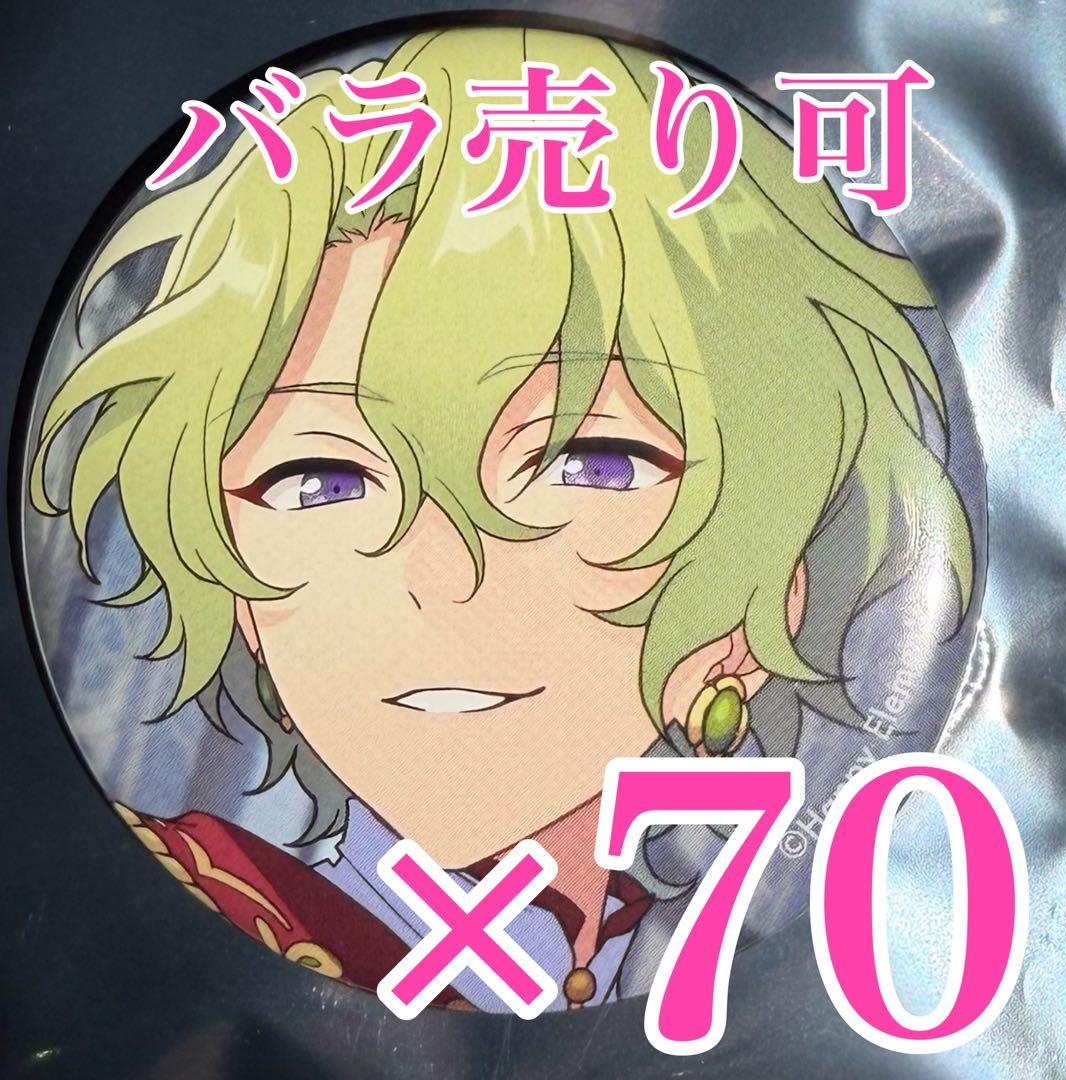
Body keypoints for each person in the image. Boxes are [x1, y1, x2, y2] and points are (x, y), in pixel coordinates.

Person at [29, 26, 974, 1009]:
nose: (439, 572)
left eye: (588, 463)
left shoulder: (722, 944)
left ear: (767, 594)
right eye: (320, 480)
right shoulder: (182, 912)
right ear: (241, 597)